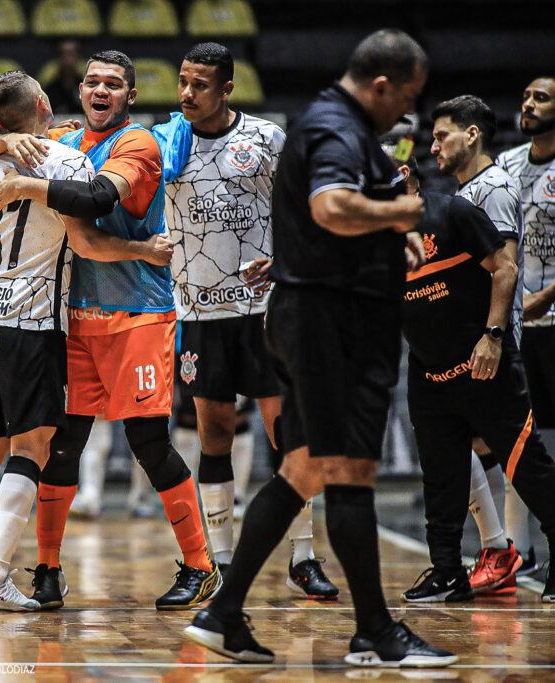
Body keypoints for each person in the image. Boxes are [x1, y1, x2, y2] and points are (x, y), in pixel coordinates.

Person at [183, 29, 457, 667]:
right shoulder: (337, 126)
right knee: (351, 471)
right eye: (408, 96)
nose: (407, 112)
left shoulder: (333, 126)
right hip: (331, 327)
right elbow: (332, 206)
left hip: (311, 319)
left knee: (302, 469)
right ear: (384, 84)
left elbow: (329, 221)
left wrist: (387, 236)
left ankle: (224, 615)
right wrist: (401, 217)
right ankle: (377, 633)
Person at [0, 50, 219, 611]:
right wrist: (6, 143)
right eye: (92, 82)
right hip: (74, 317)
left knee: (149, 444)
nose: (100, 90)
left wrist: (25, 186)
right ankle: (47, 571)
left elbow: (99, 196)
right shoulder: (62, 135)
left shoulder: (138, 145)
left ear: (129, 96)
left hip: (138, 314)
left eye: (113, 84)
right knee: (62, 446)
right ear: (78, 91)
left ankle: (201, 568)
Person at [0, 70, 173, 611]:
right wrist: (143, 252)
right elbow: (86, 244)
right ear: (44, 104)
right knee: (31, 447)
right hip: (30, 319)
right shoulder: (66, 163)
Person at [152, 41, 338, 599]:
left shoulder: (265, 139)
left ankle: (303, 557)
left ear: (227, 88)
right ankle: (224, 563)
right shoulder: (165, 142)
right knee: (214, 434)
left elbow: (307, 211)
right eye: (183, 81)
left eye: (200, 84)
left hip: (263, 310)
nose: (187, 93)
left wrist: (285, 261)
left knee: (286, 434)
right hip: (199, 312)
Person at [395, 155, 555, 604]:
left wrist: (493, 337)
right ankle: (447, 572)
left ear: (403, 173)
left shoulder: (453, 212)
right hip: (428, 374)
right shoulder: (375, 238)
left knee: (527, 465)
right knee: (442, 479)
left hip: (486, 367)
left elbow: (505, 269)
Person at [429, 94, 526, 595]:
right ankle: (499, 549)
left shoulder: (492, 189)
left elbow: (504, 270)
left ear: (472, 134)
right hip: (466, 343)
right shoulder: (466, 191)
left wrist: (492, 336)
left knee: (517, 453)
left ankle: (505, 550)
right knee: (471, 443)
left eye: (442, 134)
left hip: (490, 345)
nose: (433, 145)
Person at [496, 76, 555, 578]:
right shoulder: (509, 165)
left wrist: (546, 297)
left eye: (541, 98)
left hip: (553, 319)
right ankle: (519, 549)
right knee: (519, 435)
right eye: (527, 97)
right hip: (518, 326)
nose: (529, 105)